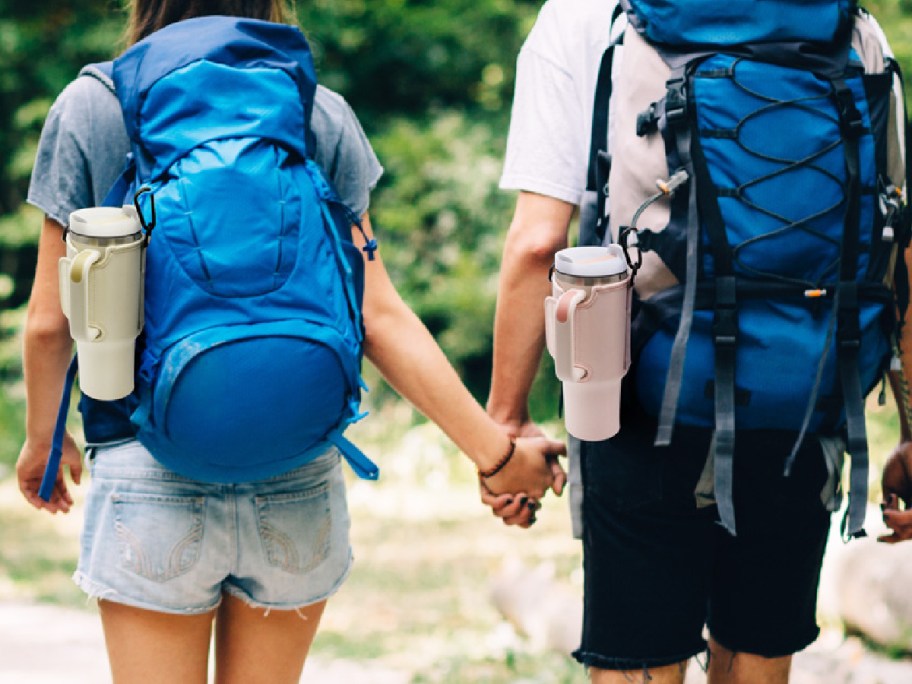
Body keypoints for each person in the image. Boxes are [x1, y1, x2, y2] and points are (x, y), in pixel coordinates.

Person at [15, 1, 564, 681]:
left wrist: (44, 441)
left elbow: (48, 321)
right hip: (295, 475)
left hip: (147, 470)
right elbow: (379, 316)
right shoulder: (312, 110)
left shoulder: (95, 106)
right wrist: (496, 455)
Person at [485, 1, 912, 683]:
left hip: (638, 391)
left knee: (638, 659)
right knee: (757, 650)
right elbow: (896, 242)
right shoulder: (846, 25)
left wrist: (505, 425)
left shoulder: (585, 18)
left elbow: (538, 243)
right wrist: (911, 430)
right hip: (802, 390)